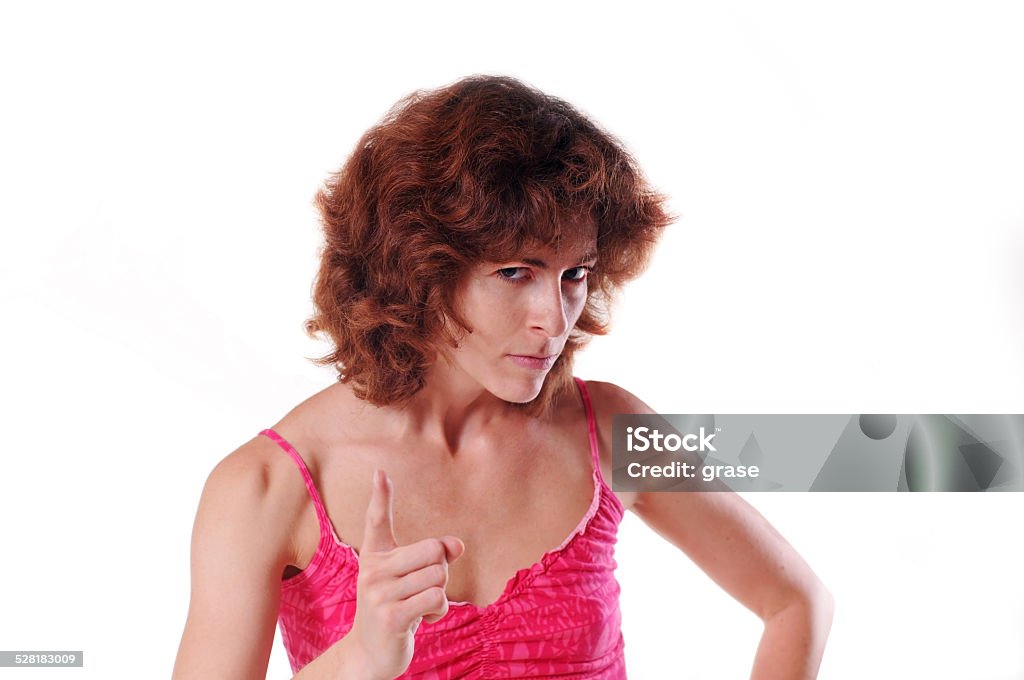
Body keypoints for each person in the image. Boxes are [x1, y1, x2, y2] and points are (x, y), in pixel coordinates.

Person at [172, 75, 833, 679]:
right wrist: (359, 658)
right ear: (420, 269)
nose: (555, 317)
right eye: (515, 272)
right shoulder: (265, 487)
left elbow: (796, 601)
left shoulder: (611, 432)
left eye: (574, 274)